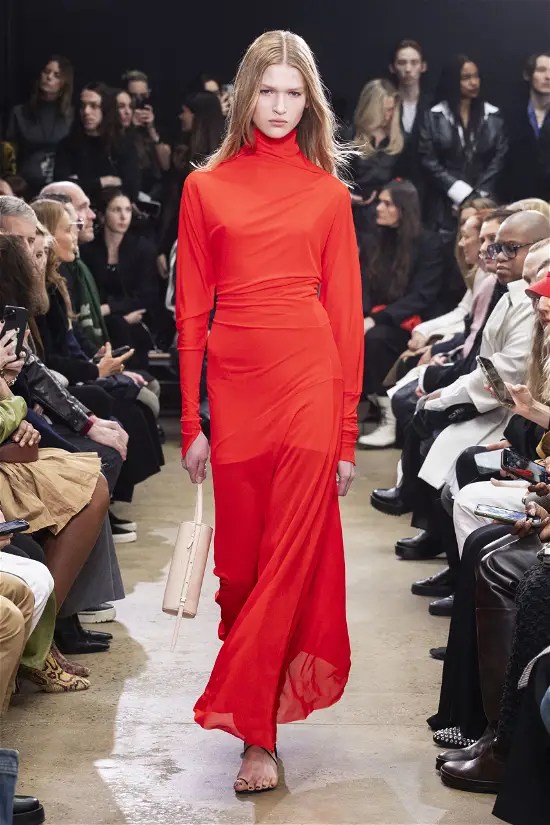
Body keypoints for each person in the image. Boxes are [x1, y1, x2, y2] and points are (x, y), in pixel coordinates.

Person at [177, 30, 363, 793]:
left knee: (289, 557)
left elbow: (345, 316)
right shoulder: (204, 188)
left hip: (310, 380)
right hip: (237, 386)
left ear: (309, 101)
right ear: (243, 95)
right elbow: (192, 311)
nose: (280, 106)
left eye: (294, 93)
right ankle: (256, 710)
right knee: (245, 568)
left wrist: (346, 432)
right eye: (268, 90)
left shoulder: (329, 194)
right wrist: (191, 421)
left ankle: (258, 735)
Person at [356, 179, 443, 448]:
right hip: (374, 317)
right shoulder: (374, 240)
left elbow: (422, 295)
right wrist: (363, 315)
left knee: (377, 340)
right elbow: (363, 285)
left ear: (403, 208)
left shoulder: (429, 243)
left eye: (387, 203)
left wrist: (375, 319)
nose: (378, 208)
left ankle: (389, 418)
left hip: (411, 322)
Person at [418, 55, 507, 237]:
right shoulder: (434, 116)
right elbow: (428, 160)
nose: (473, 83)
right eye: (466, 78)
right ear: (452, 81)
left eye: (476, 76)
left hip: (485, 202)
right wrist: (462, 193)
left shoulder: (493, 115)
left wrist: (478, 197)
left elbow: (500, 157)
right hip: (444, 206)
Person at [348, 79, 403, 274]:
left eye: (391, 110)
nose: (388, 116)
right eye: (384, 110)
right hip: (349, 215)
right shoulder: (347, 136)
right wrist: (346, 196)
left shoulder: (396, 143)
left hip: (381, 220)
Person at [54, 82, 141, 204]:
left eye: (94, 106)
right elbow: (61, 188)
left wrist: (82, 183)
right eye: (83, 106)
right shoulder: (67, 145)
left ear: (106, 109)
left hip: (112, 210)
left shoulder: (122, 144)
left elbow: (132, 190)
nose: (86, 111)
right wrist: (103, 182)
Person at [7, 56, 74, 195]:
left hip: (60, 187)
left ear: (64, 83)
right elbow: (9, 152)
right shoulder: (20, 112)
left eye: (56, 75)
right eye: (46, 72)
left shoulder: (71, 115)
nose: (49, 77)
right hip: (24, 185)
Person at [502, 51, 550, 202]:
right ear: (528, 75)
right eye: (541, 70)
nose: (548, 76)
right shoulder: (508, 116)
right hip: (516, 201)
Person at [388, 39, 430, 197]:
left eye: (414, 62)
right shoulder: (384, 106)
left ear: (423, 67)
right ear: (392, 67)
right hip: (389, 188)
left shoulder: (433, 107)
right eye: (402, 63)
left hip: (427, 190)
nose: (408, 69)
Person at [121, 70, 171, 200]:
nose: (138, 101)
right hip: (127, 189)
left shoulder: (159, 122)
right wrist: (129, 126)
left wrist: (151, 129)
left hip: (155, 190)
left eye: (143, 96)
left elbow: (166, 165)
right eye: (133, 96)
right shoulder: (116, 123)